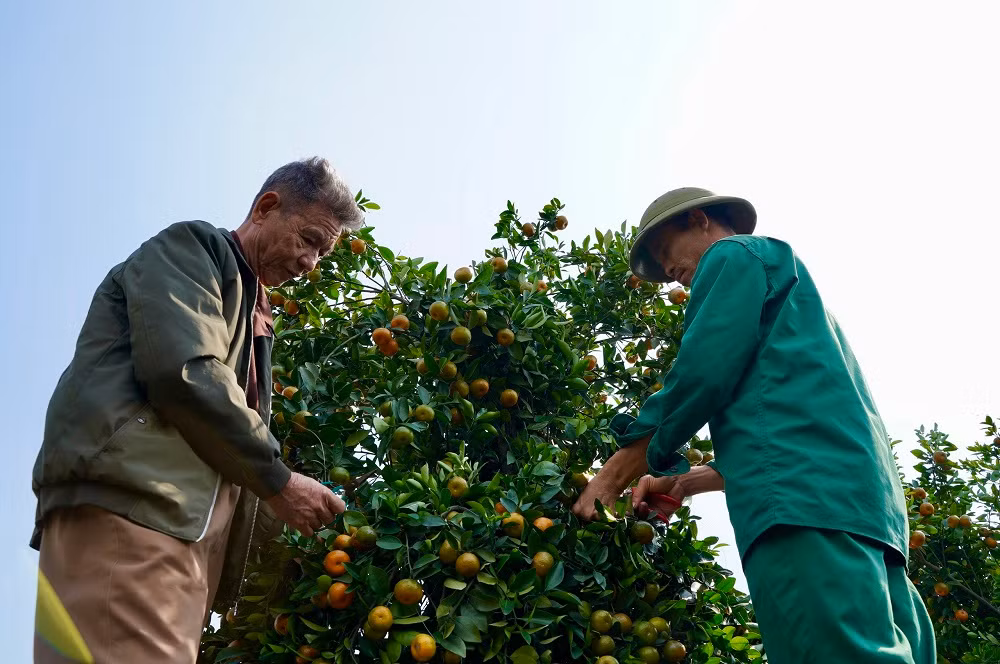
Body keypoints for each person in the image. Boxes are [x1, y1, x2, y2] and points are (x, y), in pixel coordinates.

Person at [572, 187, 936, 663]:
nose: (668, 274)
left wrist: (610, 476)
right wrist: (684, 481)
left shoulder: (732, 255)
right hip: (866, 517)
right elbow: (791, 426)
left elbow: (702, 372)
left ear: (700, 219)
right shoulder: (798, 300)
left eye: (666, 254)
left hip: (801, 514)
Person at [31, 157, 363, 663]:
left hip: (178, 536)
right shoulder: (194, 249)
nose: (311, 262)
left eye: (323, 251)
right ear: (266, 207)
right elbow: (185, 373)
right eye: (310, 239)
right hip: (137, 512)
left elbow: (222, 460)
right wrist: (281, 482)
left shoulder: (254, 314)